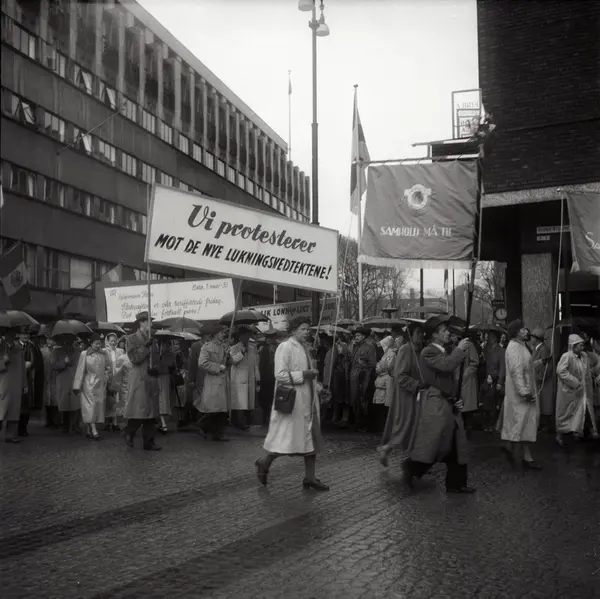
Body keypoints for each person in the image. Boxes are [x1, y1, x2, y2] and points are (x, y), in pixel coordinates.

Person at [402, 316, 475, 493]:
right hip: (437, 405)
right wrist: (459, 350)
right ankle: (412, 467)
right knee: (435, 444)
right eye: (444, 330)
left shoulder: (444, 351)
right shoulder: (429, 352)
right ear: (434, 335)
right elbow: (446, 366)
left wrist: (456, 398)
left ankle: (456, 483)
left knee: (455, 444)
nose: (448, 333)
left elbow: (449, 378)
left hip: (446, 403)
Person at [255, 316, 328, 491]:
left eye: (308, 329)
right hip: (294, 403)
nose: (306, 332)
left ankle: (310, 477)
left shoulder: (306, 348)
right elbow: (280, 375)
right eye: (303, 329)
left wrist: (319, 388)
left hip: (308, 401)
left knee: (311, 440)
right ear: (293, 330)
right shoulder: (285, 347)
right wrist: (304, 374)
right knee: (286, 440)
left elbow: (310, 376)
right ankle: (264, 462)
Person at [379, 322, 426, 467]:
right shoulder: (405, 350)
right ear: (410, 335)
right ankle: (387, 449)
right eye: (418, 332)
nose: (421, 335)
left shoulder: (421, 351)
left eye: (422, 332)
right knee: (405, 425)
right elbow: (400, 376)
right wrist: (416, 384)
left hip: (417, 395)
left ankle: (414, 458)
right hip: (406, 396)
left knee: (415, 426)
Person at [501, 320, 542, 469]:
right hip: (520, 395)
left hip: (523, 392)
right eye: (523, 329)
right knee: (522, 424)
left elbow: (525, 367)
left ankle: (513, 450)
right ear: (516, 332)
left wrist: (538, 363)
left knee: (522, 425)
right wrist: (524, 392)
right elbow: (516, 372)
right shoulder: (514, 348)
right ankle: (524, 456)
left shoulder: (521, 346)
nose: (526, 331)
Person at [123, 311, 161, 451]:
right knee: (139, 410)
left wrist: (156, 369)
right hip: (139, 378)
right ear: (141, 323)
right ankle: (129, 431)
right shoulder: (131, 338)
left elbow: (156, 358)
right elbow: (134, 358)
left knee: (151, 411)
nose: (151, 324)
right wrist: (145, 346)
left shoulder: (153, 339)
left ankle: (149, 441)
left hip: (151, 378)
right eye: (149, 321)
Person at [555, 334, 599, 451]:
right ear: (573, 346)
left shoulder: (584, 356)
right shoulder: (567, 357)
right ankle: (560, 435)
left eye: (582, 345)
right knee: (566, 414)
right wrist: (575, 382)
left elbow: (588, 370)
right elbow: (561, 371)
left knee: (585, 411)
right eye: (580, 345)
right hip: (569, 392)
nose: (582, 347)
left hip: (583, 392)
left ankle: (587, 432)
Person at [73, 333, 111, 441]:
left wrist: (107, 379)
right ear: (91, 343)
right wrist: (77, 385)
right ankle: (94, 430)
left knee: (97, 408)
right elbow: (80, 370)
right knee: (90, 407)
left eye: (99, 343)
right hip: (88, 384)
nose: (98, 346)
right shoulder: (85, 354)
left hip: (100, 385)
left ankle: (89, 430)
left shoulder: (103, 354)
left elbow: (108, 368)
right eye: (96, 343)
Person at [197, 324, 230, 441]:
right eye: (221, 333)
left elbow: (228, 363)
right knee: (214, 410)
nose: (223, 335)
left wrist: (228, 356)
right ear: (215, 334)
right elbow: (202, 363)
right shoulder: (207, 347)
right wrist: (218, 367)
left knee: (221, 410)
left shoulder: (224, 346)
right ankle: (205, 427)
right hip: (213, 381)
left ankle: (216, 432)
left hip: (223, 380)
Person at [229, 326, 260, 431]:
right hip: (239, 379)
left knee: (248, 401)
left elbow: (256, 364)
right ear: (240, 336)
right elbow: (232, 361)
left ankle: (247, 421)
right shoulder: (234, 348)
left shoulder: (252, 348)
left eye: (248, 335)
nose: (247, 338)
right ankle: (239, 422)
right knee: (240, 402)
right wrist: (241, 353)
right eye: (245, 335)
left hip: (250, 377)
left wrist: (258, 378)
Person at [0, 328, 27, 443]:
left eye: (13, 333)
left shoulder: (18, 348)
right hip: (3, 382)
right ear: (5, 334)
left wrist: (24, 384)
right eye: (9, 333)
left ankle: (11, 435)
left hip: (16, 383)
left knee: (14, 410)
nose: (12, 335)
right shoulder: (1, 346)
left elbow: (22, 368)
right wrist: (3, 362)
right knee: (2, 409)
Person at [349, 327, 377, 431]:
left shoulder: (369, 348)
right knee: (354, 399)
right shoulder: (355, 347)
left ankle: (363, 424)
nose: (356, 337)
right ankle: (356, 421)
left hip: (364, 377)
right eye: (355, 336)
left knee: (362, 398)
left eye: (358, 336)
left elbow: (373, 364)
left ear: (364, 337)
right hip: (354, 377)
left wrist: (363, 364)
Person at [53, 336, 81, 434]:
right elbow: (54, 365)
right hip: (63, 381)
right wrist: (63, 363)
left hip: (75, 380)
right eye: (66, 341)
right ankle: (65, 425)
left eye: (70, 341)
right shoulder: (56, 351)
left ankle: (75, 426)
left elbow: (80, 365)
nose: (68, 343)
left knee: (76, 404)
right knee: (64, 403)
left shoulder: (77, 352)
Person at [481, 330, 505, 432]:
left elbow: (503, 367)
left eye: (489, 336)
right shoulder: (486, 349)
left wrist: (500, 382)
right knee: (486, 402)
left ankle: (492, 424)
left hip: (495, 380)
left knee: (494, 403)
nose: (487, 338)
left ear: (495, 338)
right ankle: (486, 423)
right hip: (487, 380)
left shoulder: (501, 351)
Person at [324, 335, 351, 427]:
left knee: (343, 397)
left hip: (340, 377)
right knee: (337, 397)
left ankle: (343, 417)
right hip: (337, 377)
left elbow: (330, 366)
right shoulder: (333, 352)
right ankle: (336, 417)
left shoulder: (338, 352)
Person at [531, 328, 554, 432]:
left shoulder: (544, 349)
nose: (531, 339)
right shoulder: (537, 349)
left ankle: (545, 424)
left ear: (536, 339)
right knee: (540, 402)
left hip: (543, 382)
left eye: (532, 337)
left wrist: (539, 377)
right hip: (537, 380)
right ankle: (541, 423)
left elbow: (546, 367)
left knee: (545, 403)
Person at [372, 335, 397, 431]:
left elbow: (389, 366)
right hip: (381, 376)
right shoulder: (385, 353)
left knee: (383, 412)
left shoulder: (391, 354)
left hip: (386, 375)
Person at [104, 332, 125, 432]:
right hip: (107, 379)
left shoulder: (121, 351)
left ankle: (115, 422)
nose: (113, 343)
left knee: (116, 401)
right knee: (108, 401)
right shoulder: (103, 352)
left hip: (118, 379)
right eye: (111, 341)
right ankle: (107, 422)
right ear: (107, 341)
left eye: (114, 341)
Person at [258, 325, 278, 425]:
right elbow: (261, 365)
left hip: (276, 376)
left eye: (273, 337)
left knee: (274, 397)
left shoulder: (278, 348)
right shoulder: (264, 349)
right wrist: (260, 378)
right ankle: (265, 417)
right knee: (265, 398)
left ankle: (272, 417)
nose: (271, 339)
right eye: (270, 337)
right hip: (266, 377)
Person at [460, 332, 480, 433]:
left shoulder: (469, 345)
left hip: (466, 379)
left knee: (466, 407)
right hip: (456, 380)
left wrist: (466, 373)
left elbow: (475, 362)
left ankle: (467, 429)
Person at [156, 336, 177, 434]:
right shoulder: (156, 354)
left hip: (164, 378)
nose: (167, 346)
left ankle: (163, 422)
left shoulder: (169, 355)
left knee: (162, 399)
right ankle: (162, 422)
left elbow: (173, 367)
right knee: (162, 399)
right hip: (160, 378)